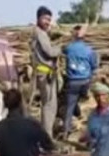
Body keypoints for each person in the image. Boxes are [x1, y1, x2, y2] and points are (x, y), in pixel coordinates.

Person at [61, 24, 98, 140]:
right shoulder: (89, 50)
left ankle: (66, 131)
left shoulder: (69, 48)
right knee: (84, 101)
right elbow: (94, 65)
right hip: (85, 81)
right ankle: (87, 126)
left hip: (73, 81)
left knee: (70, 106)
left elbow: (62, 51)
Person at [32, 6, 62, 137]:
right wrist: (60, 49)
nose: (47, 22)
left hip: (45, 73)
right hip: (45, 73)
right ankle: (47, 136)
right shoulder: (40, 33)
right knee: (49, 106)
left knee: (49, 105)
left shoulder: (40, 33)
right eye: (45, 19)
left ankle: (46, 134)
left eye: (49, 19)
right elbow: (49, 51)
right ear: (38, 18)